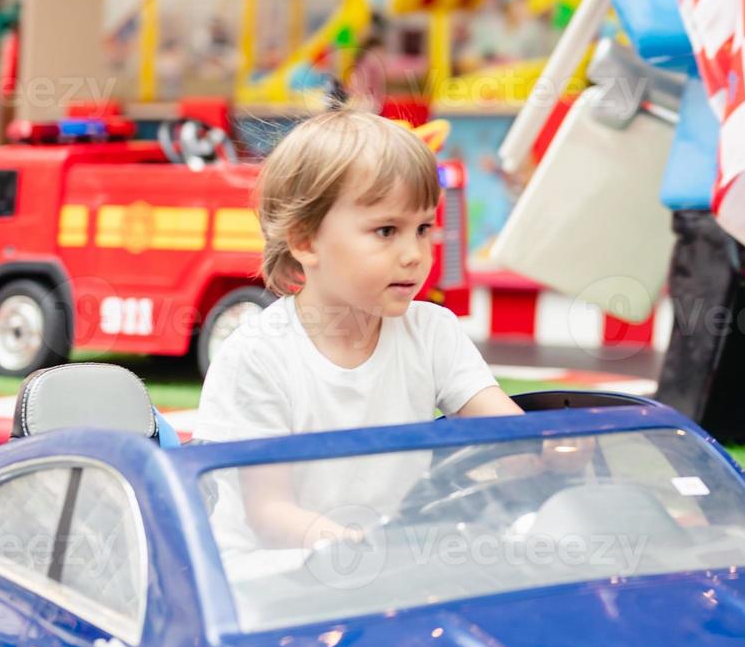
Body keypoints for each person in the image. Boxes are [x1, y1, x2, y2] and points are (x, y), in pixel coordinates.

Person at [193, 110, 528, 557]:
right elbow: (270, 513)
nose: (415, 254)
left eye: (423, 228)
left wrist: (545, 451)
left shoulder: (431, 332)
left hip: (381, 572)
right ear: (307, 241)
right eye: (386, 231)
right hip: (266, 583)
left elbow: (508, 434)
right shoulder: (258, 355)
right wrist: (369, 549)